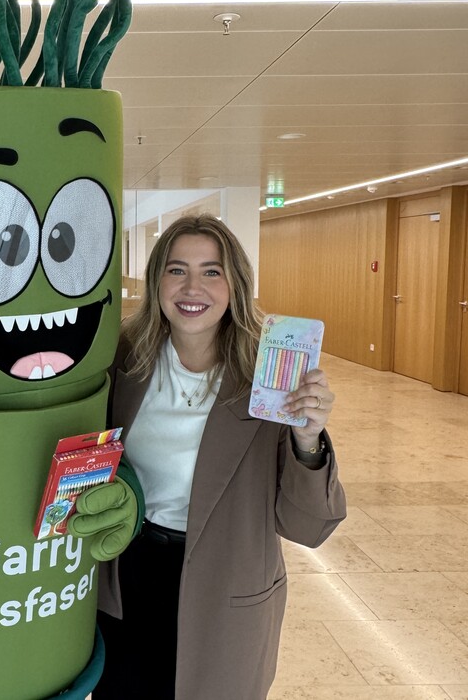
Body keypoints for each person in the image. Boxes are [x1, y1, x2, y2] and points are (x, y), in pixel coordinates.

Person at [91, 214, 346, 699]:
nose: (192, 287)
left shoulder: (271, 376)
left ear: (236, 284)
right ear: (156, 280)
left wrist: (308, 437)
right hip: (129, 575)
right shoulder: (124, 356)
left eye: (212, 271)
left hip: (226, 582)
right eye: (176, 269)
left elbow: (308, 526)